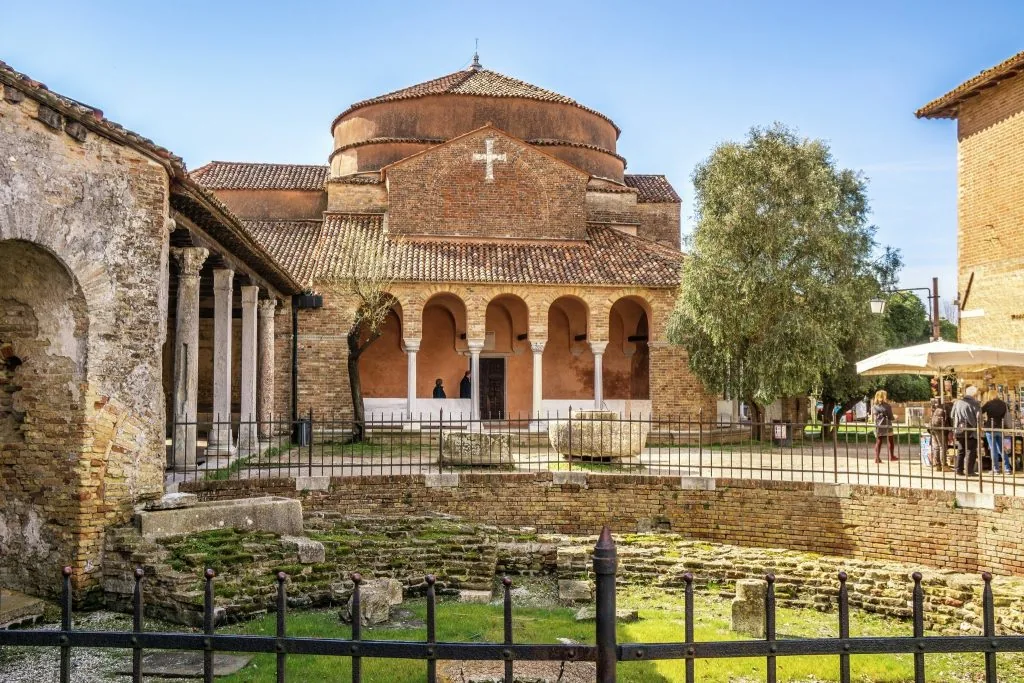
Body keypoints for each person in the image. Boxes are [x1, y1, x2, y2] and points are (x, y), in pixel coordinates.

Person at [951, 385, 982, 476]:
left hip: (959, 429)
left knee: (961, 450)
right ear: (974, 394)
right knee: (970, 451)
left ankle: (958, 470)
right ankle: (969, 471)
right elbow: (979, 418)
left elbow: (952, 415)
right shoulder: (975, 403)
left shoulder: (957, 402)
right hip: (971, 431)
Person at [981, 390, 1010, 474]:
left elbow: (980, 411)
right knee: (1002, 449)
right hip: (1000, 428)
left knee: (993, 449)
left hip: (990, 428)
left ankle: (996, 469)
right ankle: (1007, 468)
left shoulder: (988, 403)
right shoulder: (1003, 404)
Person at [872, 389, 898, 464]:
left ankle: (877, 458)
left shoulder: (875, 406)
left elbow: (875, 416)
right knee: (891, 441)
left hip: (878, 425)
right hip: (887, 425)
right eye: (885, 395)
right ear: (883, 397)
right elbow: (890, 417)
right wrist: (895, 417)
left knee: (879, 441)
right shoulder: (887, 406)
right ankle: (892, 456)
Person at [928, 397, 949, 471]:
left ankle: (938, 465)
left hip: (932, 427)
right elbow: (949, 419)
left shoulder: (935, 408)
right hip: (939, 428)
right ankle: (944, 465)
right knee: (942, 446)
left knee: (936, 446)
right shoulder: (946, 407)